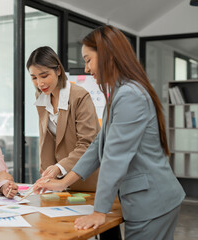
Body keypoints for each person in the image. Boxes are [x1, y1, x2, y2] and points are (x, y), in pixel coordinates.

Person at [35, 25, 185, 240]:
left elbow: (115, 157)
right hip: (144, 200)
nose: (86, 69)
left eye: (88, 60)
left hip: (153, 201)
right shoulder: (118, 93)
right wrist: (63, 181)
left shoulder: (129, 95)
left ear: (108, 56)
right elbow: (98, 146)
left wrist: (99, 211)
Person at [27, 46, 100, 191]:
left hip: (87, 179)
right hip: (60, 182)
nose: (40, 83)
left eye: (44, 75)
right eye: (34, 78)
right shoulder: (41, 97)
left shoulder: (79, 96)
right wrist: (46, 174)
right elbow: (46, 139)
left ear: (58, 70)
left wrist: (59, 168)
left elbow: (87, 144)